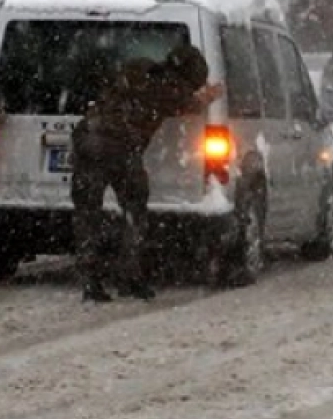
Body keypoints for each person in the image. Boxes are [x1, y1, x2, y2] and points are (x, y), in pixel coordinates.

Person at [70, 42, 223, 303]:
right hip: (119, 146)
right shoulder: (172, 89)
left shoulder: (138, 68)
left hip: (86, 137)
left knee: (87, 215)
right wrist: (211, 94)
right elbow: (192, 104)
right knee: (135, 211)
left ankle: (90, 281)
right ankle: (129, 276)